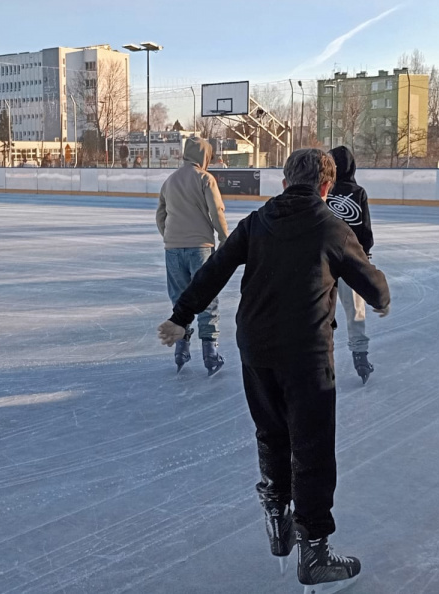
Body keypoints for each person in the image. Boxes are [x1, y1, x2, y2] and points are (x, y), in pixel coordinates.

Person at [157, 148, 390, 589]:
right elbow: (370, 280)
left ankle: (277, 513)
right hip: (306, 352)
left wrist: (181, 316)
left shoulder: (256, 222)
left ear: (284, 183)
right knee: (313, 446)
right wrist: (382, 298)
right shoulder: (331, 227)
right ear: (326, 187)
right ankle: (315, 550)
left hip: (257, 348)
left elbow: (215, 270)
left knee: (271, 433)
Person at [155, 137, 229, 375]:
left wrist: (170, 237)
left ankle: (181, 348)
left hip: (173, 248)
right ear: (204, 156)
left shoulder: (170, 180)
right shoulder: (205, 178)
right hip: (200, 247)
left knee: (180, 298)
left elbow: (161, 215)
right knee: (206, 297)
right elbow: (216, 210)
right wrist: (224, 237)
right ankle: (210, 352)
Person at [326, 146, 376, 384]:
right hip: (351, 260)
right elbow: (365, 227)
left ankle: (323, 355)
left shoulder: (324, 189)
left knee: (322, 309)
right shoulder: (358, 192)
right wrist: (365, 253)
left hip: (324, 261)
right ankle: (360, 356)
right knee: (355, 310)